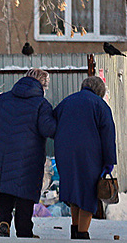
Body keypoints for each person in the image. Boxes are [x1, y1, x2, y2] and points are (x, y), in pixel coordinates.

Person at [0, 68, 56, 238]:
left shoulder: (2, 99)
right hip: (27, 158)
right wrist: (59, 117)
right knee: (25, 194)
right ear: (43, 85)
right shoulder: (41, 105)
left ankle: (4, 221)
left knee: (5, 188)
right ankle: (24, 231)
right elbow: (48, 129)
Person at [54, 76, 117, 240]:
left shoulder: (66, 102)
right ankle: (82, 233)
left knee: (74, 190)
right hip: (90, 155)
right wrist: (109, 161)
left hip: (64, 153)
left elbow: (51, 122)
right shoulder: (100, 105)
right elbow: (108, 136)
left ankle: (75, 229)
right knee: (89, 193)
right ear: (99, 91)